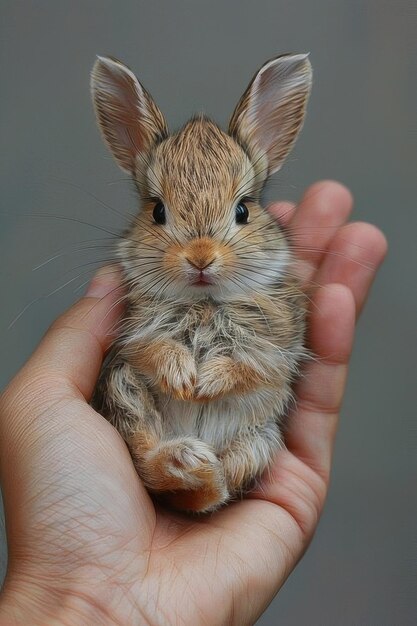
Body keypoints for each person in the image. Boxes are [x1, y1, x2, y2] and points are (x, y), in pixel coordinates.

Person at [0, 181, 387, 625]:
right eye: (162, 215)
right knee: (122, 381)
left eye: (240, 213)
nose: (202, 255)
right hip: (156, 425)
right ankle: (154, 462)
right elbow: (138, 346)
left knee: (260, 444)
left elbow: (275, 367)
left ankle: (204, 485)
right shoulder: (141, 292)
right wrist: (162, 355)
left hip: (239, 426)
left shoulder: (278, 298)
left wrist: (233, 370)